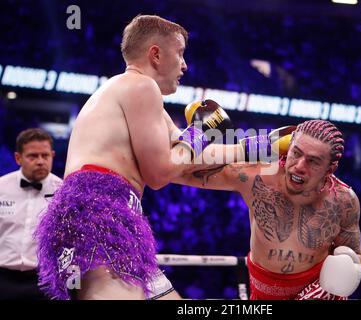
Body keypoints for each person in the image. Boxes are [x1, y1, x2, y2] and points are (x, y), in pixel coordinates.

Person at [35, 15, 233, 300]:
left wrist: (263, 146)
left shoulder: (129, 92)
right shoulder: (142, 87)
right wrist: (201, 134)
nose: (185, 65)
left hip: (106, 214)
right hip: (100, 215)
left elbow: (184, 158)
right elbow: (160, 172)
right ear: (155, 54)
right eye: (179, 54)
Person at [174, 120, 361, 300]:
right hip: (262, 293)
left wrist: (341, 277)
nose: (299, 166)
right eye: (296, 153)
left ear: (330, 168)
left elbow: (355, 254)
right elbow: (178, 170)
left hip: (316, 290)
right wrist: (197, 130)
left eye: (313, 161)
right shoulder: (256, 175)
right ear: (287, 148)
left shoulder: (343, 200)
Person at [0, 128, 62, 299]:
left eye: (45, 155)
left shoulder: (64, 192)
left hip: (45, 281)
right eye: (33, 156)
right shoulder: (1, 187)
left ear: (52, 156)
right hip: (3, 278)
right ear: (18, 158)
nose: (40, 161)